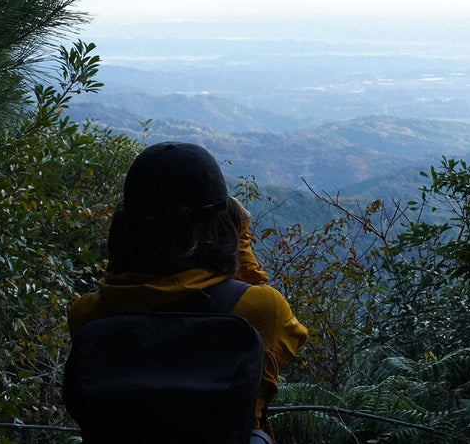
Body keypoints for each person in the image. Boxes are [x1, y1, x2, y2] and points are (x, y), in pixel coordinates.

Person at [68, 142, 308, 442]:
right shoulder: (258, 310)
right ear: (220, 225)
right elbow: (272, 327)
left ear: (126, 226)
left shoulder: (87, 315)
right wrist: (240, 234)